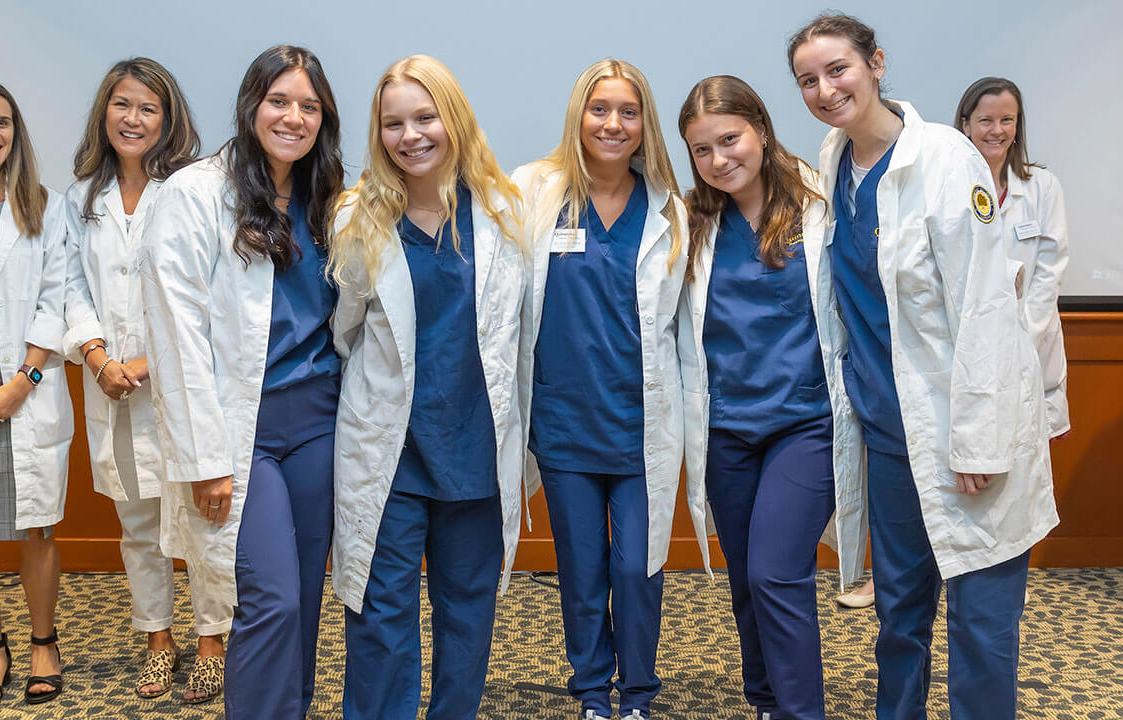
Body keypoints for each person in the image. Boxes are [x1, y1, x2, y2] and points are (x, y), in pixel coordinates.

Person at [788, 14, 1058, 720]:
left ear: (876, 63)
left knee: (980, 626)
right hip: (888, 434)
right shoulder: (835, 164)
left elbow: (987, 308)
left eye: (837, 69)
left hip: (963, 433)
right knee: (899, 619)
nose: (825, 88)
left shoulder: (944, 159)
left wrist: (980, 438)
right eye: (808, 79)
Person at [138, 45, 344, 719]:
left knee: (307, 598)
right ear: (251, 105)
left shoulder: (330, 197)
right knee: (271, 597)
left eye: (309, 105)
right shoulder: (195, 195)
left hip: (318, 421)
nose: (293, 117)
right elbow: (176, 335)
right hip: (236, 429)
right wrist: (204, 458)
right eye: (279, 101)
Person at [327, 54, 526, 720]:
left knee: (466, 608)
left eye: (425, 117)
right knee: (380, 607)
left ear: (454, 118)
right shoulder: (357, 218)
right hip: (391, 448)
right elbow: (345, 331)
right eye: (393, 123)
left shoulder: (502, 212)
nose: (410, 135)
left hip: (474, 443)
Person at [513, 59, 699, 720]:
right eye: (600, 109)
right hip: (563, 427)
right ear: (578, 116)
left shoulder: (672, 211)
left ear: (645, 122)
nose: (613, 124)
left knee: (637, 571)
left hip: (640, 426)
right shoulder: (534, 193)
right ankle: (593, 689)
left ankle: (639, 691)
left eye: (628, 111)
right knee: (583, 572)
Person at [62, 57, 232, 702]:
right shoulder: (84, 198)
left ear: (169, 120)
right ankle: (159, 640)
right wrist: (98, 355)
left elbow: (208, 294)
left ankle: (213, 638)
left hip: (179, 384)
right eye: (122, 105)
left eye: (148, 108)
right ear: (104, 112)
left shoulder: (194, 190)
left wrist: (152, 362)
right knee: (137, 525)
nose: (133, 119)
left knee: (201, 522)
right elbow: (70, 286)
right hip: (112, 388)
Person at [676, 74, 844, 720]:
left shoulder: (817, 207)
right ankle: (767, 703)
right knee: (748, 582)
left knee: (777, 574)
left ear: (762, 130)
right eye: (702, 150)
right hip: (726, 432)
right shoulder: (690, 222)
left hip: (803, 426)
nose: (720, 160)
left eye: (730, 139)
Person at [0, 76, 72, 712]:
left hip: (24, 390)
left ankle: (42, 643)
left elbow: (54, 296)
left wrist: (22, 382)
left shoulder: (42, 204)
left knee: (35, 527)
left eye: (3, 122)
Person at [955, 76, 1070, 439]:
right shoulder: (949, 186)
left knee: (1030, 460)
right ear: (965, 125)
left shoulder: (1042, 186)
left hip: (1031, 339)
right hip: (968, 342)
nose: (997, 130)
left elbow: (1050, 269)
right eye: (986, 120)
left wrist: (1024, 337)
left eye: (1007, 120)